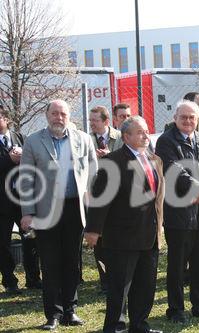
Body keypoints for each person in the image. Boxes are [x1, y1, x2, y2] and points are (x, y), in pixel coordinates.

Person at [19, 100, 97, 330]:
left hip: (75, 208)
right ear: (47, 115)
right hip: (45, 211)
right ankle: (53, 314)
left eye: (63, 113)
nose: (58, 118)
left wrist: (96, 205)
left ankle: (70, 311)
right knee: (51, 262)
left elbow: (94, 173)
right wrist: (27, 213)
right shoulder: (34, 141)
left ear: (69, 116)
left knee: (73, 262)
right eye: (54, 113)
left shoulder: (83, 139)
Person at [85, 116, 164, 333]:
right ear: (126, 136)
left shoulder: (155, 159)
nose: (146, 136)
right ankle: (115, 328)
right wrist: (93, 230)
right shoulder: (113, 161)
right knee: (120, 288)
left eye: (147, 131)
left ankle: (139, 325)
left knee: (145, 286)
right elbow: (101, 199)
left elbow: (157, 197)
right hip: (122, 236)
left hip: (149, 234)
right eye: (140, 132)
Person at [156, 100, 199, 323]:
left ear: (198, 120)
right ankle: (176, 310)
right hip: (179, 214)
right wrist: (198, 188)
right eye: (183, 117)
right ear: (175, 118)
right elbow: (173, 169)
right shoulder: (166, 141)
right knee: (177, 265)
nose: (187, 121)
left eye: (192, 117)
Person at [0, 106, 41, 294]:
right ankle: (10, 280)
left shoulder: (21, 137)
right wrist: (9, 159)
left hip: (23, 199)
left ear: (6, 118)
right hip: (2, 202)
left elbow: (33, 162)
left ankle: (33, 278)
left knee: (31, 239)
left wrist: (23, 156)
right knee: (3, 243)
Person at [89, 105, 123, 294]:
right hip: (95, 193)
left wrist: (109, 156)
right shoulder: (86, 139)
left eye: (95, 120)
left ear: (106, 121)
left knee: (115, 236)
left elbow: (128, 161)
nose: (92, 124)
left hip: (118, 195)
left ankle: (118, 276)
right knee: (99, 239)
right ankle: (105, 280)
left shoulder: (120, 137)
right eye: (91, 120)